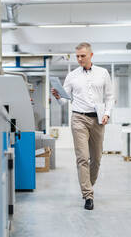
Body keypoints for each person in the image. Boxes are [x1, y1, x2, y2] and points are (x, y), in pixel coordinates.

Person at [51, 42, 114, 210]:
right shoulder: (72, 76)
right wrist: (57, 96)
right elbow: (64, 100)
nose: (79, 59)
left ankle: (88, 185)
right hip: (78, 118)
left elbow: (109, 97)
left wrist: (107, 113)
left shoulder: (103, 73)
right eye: (77, 56)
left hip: (99, 119)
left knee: (97, 159)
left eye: (82, 56)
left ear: (91, 55)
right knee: (82, 158)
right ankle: (88, 195)